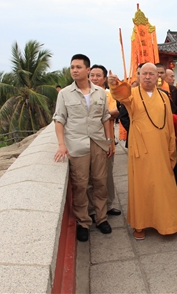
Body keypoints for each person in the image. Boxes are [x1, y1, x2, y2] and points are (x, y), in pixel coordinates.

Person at [108, 63, 177, 240]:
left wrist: (171, 145)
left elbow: (167, 125)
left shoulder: (164, 96)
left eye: (152, 73)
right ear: (139, 76)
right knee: (141, 186)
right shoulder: (132, 94)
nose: (148, 77)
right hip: (141, 148)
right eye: (144, 74)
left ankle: (168, 223)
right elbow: (120, 94)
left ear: (158, 76)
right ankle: (140, 224)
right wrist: (114, 84)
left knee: (163, 185)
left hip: (161, 148)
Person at [53, 54, 114, 242]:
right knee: (80, 184)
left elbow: (105, 117)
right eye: (72, 67)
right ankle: (83, 222)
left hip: (98, 143)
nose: (74, 70)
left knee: (100, 182)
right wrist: (62, 145)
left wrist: (109, 140)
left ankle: (101, 217)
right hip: (76, 144)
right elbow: (59, 119)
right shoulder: (64, 94)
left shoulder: (99, 93)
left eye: (78, 67)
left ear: (87, 70)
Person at [88, 64, 121, 218]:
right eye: (92, 75)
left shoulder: (108, 94)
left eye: (98, 76)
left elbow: (115, 111)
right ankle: (93, 209)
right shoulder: (85, 94)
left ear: (104, 78)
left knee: (107, 175)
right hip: (88, 142)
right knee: (90, 178)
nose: (94, 78)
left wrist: (99, 113)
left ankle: (108, 205)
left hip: (107, 141)